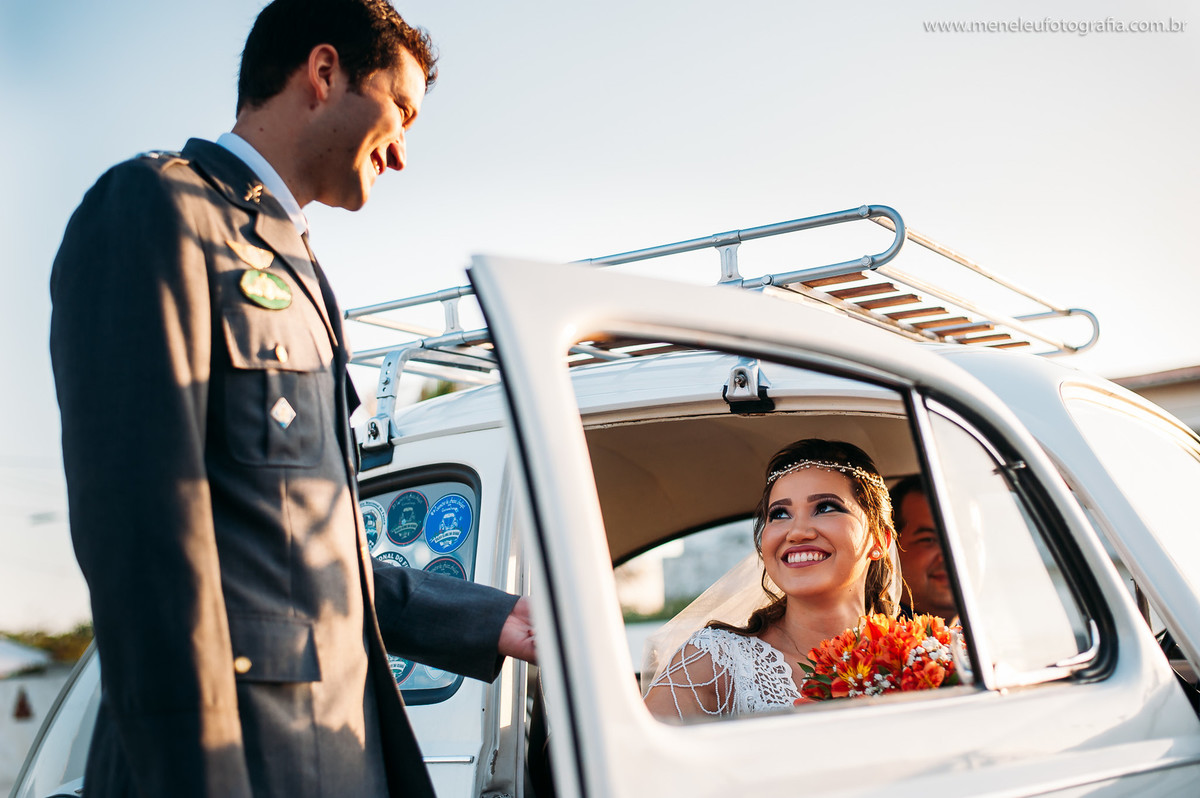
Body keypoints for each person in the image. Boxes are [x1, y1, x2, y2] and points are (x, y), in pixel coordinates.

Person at [49, 2, 533, 797]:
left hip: (336, 753)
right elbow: (143, 543)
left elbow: (301, 548)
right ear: (324, 71)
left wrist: (490, 620)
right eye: (402, 110)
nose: (404, 152)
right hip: (236, 761)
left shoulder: (297, 266)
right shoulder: (157, 210)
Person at [643, 439, 897, 720]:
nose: (797, 532)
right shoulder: (716, 662)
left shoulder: (919, 657)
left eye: (825, 507)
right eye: (779, 514)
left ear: (879, 540)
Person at [890, 475, 959, 621]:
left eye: (965, 540)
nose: (951, 556)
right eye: (929, 539)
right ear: (890, 548)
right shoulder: (873, 640)